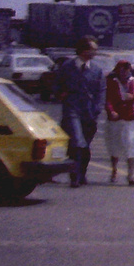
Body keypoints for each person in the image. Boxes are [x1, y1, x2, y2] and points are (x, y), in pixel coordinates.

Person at [54, 37, 105, 186]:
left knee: (85, 145)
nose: (95, 52)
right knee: (77, 142)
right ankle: (74, 176)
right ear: (83, 50)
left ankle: (82, 173)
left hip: (89, 112)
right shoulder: (67, 66)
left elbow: (101, 91)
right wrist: (60, 95)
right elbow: (57, 85)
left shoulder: (96, 70)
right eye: (92, 49)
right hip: (72, 109)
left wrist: (97, 109)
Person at [103, 58, 134, 185]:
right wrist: (111, 111)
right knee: (114, 146)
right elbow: (107, 99)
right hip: (116, 118)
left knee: (131, 146)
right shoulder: (111, 82)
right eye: (122, 70)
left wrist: (133, 98)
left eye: (127, 69)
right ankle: (114, 171)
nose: (124, 72)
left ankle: (130, 174)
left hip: (130, 117)